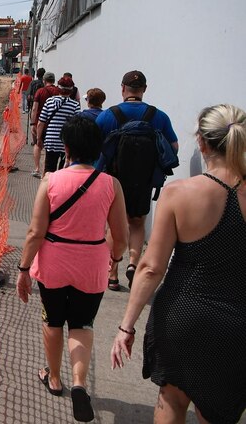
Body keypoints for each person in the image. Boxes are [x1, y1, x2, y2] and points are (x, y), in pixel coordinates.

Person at [111, 104, 246, 424]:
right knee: (218, 411)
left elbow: (151, 268)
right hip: (236, 324)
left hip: (182, 316)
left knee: (172, 398)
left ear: (202, 143)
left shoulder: (179, 193)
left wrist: (126, 326)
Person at [17, 116, 128, 423]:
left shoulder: (51, 181)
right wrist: (115, 259)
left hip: (53, 263)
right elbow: (120, 236)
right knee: (81, 325)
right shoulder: (111, 185)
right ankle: (79, 382)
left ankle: (54, 378)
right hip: (92, 265)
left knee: (53, 321)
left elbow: (35, 232)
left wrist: (23, 268)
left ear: (66, 148)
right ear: (98, 148)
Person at [96, 70, 178, 290]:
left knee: (115, 225)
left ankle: (112, 273)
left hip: (114, 180)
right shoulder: (158, 116)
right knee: (138, 222)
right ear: (144, 89)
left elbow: (95, 147)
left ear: (123, 88)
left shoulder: (109, 115)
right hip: (144, 180)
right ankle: (133, 263)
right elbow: (173, 147)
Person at [37, 75, 81, 175]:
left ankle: (47, 184)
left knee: (49, 169)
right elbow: (76, 125)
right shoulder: (75, 105)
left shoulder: (50, 101)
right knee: (63, 171)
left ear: (58, 88)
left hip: (51, 140)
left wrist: (39, 138)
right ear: (71, 90)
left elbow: (41, 122)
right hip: (66, 142)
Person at [30, 72, 59, 178]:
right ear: (54, 80)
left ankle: (37, 168)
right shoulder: (58, 91)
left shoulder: (40, 91)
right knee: (50, 149)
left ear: (44, 80)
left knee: (38, 145)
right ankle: (48, 171)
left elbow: (34, 108)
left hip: (40, 122)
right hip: (54, 124)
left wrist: (33, 123)